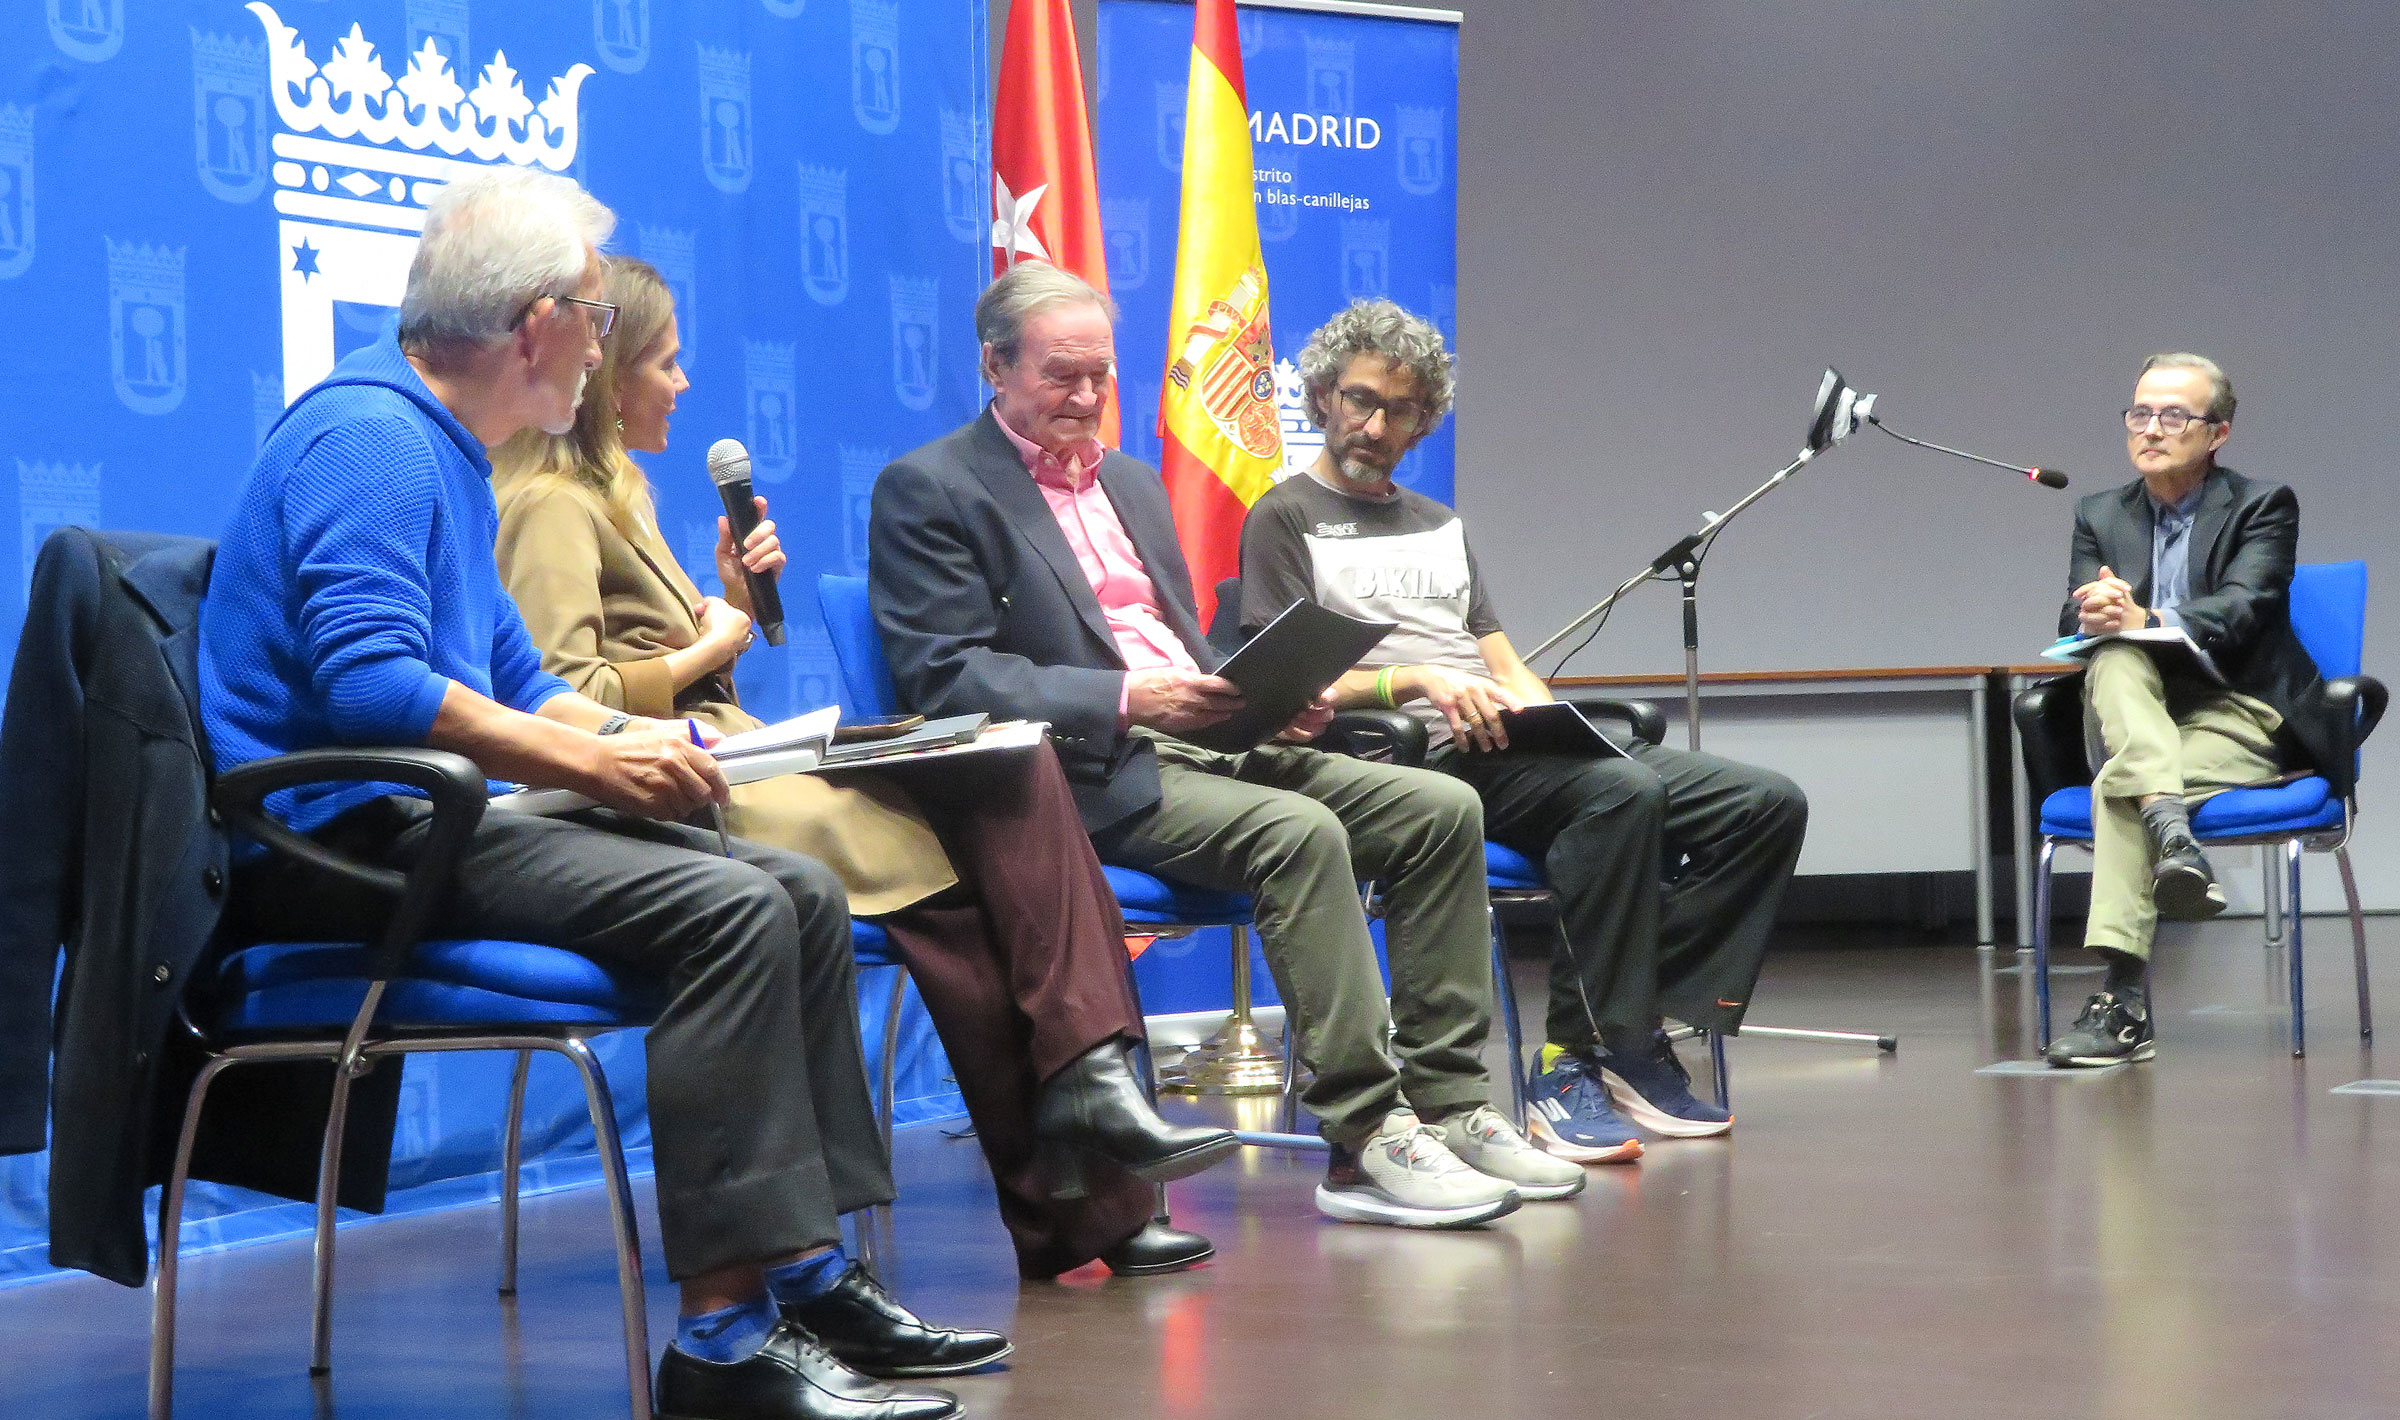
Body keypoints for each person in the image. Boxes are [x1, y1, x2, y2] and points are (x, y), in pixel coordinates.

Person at [196, 167, 997, 1420]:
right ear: (535, 324)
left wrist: (653, 741)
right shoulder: (372, 440)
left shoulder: (446, 445)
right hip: (351, 838)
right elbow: (369, 691)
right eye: (595, 313)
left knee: (790, 882)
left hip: (429, 813)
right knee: (728, 910)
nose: (605, 340)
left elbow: (515, 672)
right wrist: (593, 761)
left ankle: (807, 1268)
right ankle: (724, 1343)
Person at [489, 256, 1237, 1281]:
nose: (683, 385)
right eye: (665, 363)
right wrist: (713, 645)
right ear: (613, 378)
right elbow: (566, 698)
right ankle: (1086, 1147)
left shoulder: (619, 498)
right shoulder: (550, 506)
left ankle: (1093, 1145)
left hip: (729, 757)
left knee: (1007, 791)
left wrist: (731, 607)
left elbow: (656, 660)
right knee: (982, 882)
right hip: (670, 791)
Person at [868, 261, 1585, 1228]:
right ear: (995, 365)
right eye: (1060, 377)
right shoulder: (932, 488)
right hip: (1083, 773)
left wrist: (1264, 696)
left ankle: (1451, 1103)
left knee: (1440, 809)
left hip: (1211, 739)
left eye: (1101, 377)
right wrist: (1131, 698)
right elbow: (945, 679)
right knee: (1298, 833)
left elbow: (1180, 644)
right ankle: (1365, 1139)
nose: (1087, 399)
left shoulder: (1132, 482)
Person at [1238, 301, 1809, 1162]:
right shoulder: (1285, 518)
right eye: (1358, 400)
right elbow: (1289, 687)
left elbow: (1500, 657)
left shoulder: (1440, 524)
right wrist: (1418, 679)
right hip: (1400, 757)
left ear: (1422, 419)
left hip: (1507, 743)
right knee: (1623, 794)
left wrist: (1549, 715)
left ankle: (1634, 1027)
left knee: (1762, 804)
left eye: (1399, 410)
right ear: (1321, 398)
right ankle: (1567, 1062)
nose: (1375, 424)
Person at [2044, 352, 2333, 1068]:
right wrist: (2094, 609)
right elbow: (2074, 609)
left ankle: (2121, 1001)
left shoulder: (2263, 504)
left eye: (2174, 415)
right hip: (2137, 711)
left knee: (2124, 783)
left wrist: (2148, 617)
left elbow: (2246, 607)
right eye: (2139, 413)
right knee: (2110, 655)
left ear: (2218, 433)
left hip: (2238, 712)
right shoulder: (2098, 512)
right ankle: (2174, 834)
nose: (2151, 429)